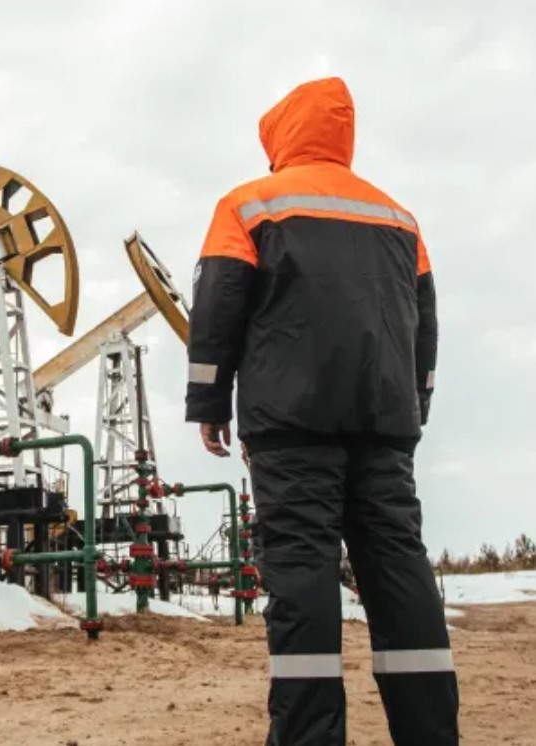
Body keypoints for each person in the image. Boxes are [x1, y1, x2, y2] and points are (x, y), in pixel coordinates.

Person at [184, 77, 457, 745]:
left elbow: (217, 309)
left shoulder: (248, 206)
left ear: (279, 134)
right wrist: (413, 404)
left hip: (291, 424)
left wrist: (209, 401)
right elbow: (424, 324)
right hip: (385, 423)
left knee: (302, 571)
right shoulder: (398, 217)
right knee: (398, 565)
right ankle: (429, 734)